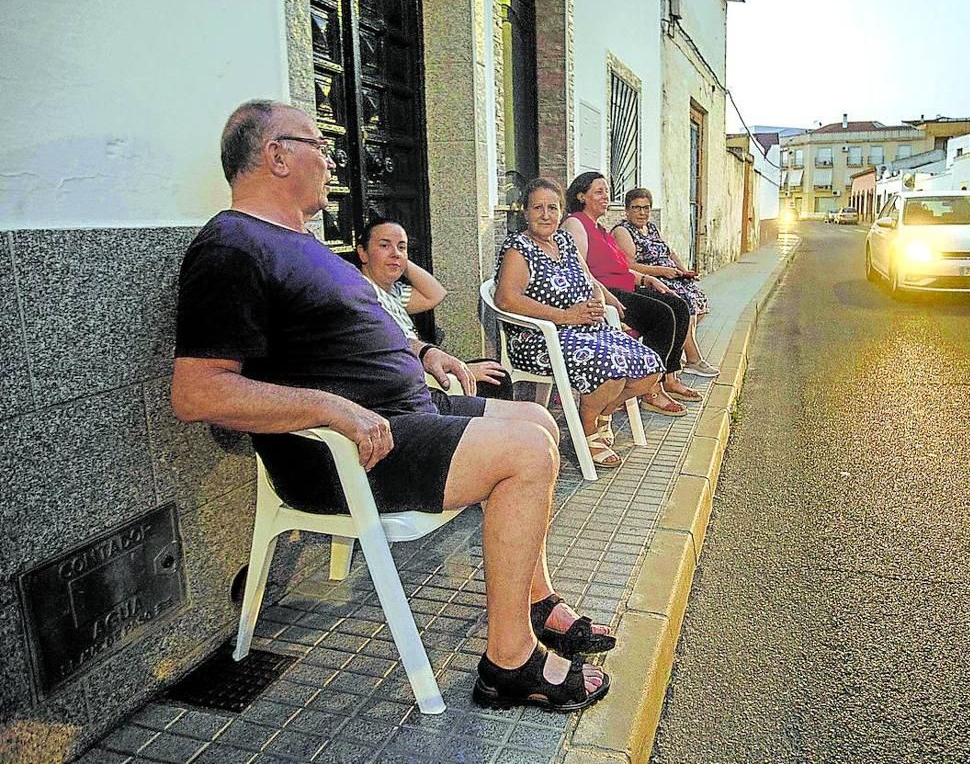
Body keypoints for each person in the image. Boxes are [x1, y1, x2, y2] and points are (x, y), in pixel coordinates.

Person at [171, 100, 611, 712]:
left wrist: (424, 350)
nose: (330, 159)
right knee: (526, 453)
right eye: (317, 145)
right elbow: (199, 392)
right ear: (275, 155)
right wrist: (332, 408)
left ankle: (532, 599)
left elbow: (358, 326)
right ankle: (509, 660)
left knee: (537, 420)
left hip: (406, 412)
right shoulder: (232, 248)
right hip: (352, 452)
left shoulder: (301, 243)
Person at [494, 178, 664, 468]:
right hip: (540, 337)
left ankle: (599, 413)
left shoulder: (564, 241)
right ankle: (585, 430)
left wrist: (599, 301)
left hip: (586, 329)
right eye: (538, 207)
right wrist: (565, 316)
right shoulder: (518, 248)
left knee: (650, 367)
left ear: (561, 212)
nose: (546, 214)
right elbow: (506, 299)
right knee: (610, 368)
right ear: (525, 212)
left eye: (553, 207)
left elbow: (590, 279)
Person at [561, 172, 699, 417]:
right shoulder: (575, 224)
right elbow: (579, 270)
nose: (606, 196)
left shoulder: (600, 229)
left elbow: (623, 267)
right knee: (662, 315)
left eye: (607, 191)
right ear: (582, 196)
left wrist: (647, 279)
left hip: (625, 287)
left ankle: (668, 377)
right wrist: (605, 294)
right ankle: (651, 389)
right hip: (605, 294)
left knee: (679, 306)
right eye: (599, 191)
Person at [357, 215, 513, 400]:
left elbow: (436, 294)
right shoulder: (362, 291)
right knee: (495, 379)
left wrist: (399, 260)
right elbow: (395, 351)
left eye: (401, 246)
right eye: (384, 245)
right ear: (363, 253)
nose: (395, 252)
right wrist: (461, 371)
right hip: (405, 382)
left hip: (421, 366)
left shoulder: (393, 291)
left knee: (495, 372)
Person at [612, 188, 719, 378]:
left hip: (669, 276)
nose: (642, 212)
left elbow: (669, 253)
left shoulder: (651, 228)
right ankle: (693, 359)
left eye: (646, 208)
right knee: (683, 303)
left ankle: (680, 349)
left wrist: (683, 271)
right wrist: (663, 272)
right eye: (636, 208)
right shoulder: (622, 231)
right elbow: (629, 265)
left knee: (698, 302)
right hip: (650, 281)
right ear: (626, 210)